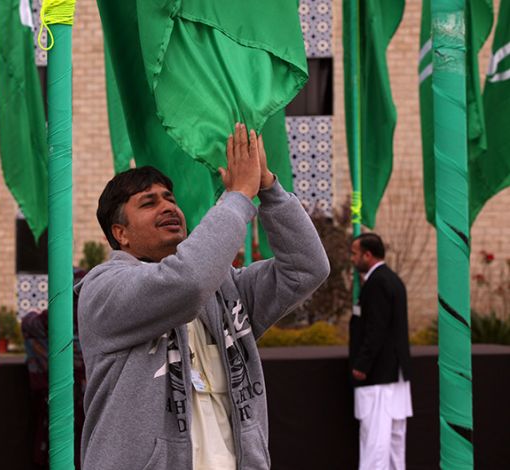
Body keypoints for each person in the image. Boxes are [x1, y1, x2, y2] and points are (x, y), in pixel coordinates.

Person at [75, 123, 329, 469]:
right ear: (121, 234)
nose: (168, 208)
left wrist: (267, 187)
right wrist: (238, 197)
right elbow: (187, 283)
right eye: (149, 203)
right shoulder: (104, 289)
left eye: (170, 198)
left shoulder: (224, 287)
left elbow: (307, 269)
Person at [349, 233, 412, 470]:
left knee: (375, 438)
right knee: (395, 437)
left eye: (355, 253)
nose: (352, 259)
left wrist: (362, 364)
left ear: (368, 254)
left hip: (379, 374)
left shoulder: (377, 284)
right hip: (395, 372)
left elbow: (376, 329)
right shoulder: (392, 280)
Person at [21, 268, 87, 470]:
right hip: (92, 396)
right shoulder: (96, 314)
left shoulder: (54, 316)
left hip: (59, 396)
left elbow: (28, 324)